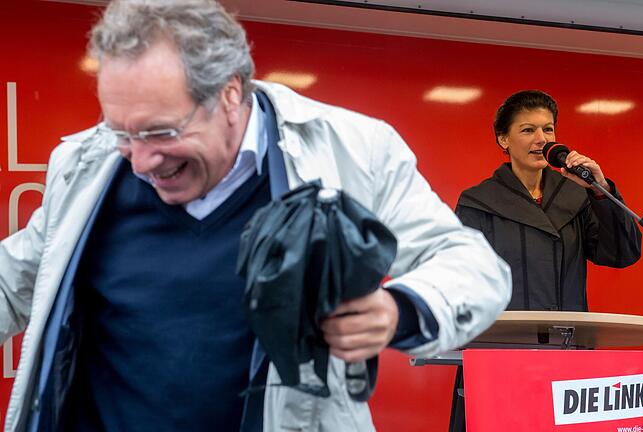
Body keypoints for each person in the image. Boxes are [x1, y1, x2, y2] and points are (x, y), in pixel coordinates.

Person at [0, 1, 511, 431]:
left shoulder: (352, 152)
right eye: (121, 132)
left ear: (229, 93)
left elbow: (475, 268)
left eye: (160, 132)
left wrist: (397, 310)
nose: (138, 159)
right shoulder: (88, 165)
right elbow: (13, 282)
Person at [456, 90, 641, 312]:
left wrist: (600, 189)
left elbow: (622, 254)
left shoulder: (576, 194)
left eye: (548, 129)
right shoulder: (478, 202)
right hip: (504, 338)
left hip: (568, 338)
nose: (541, 139)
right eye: (528, 130)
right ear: (503, 139)